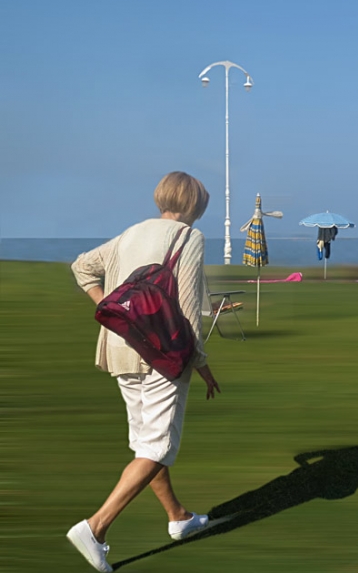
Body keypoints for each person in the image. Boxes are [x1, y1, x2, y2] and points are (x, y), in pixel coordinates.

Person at [67, 172, 221, 573]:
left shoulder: (131, 232)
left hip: (120, 349)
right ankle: (95, 528)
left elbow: (82, 268)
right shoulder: (190, 238)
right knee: (156, 448)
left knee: (146, 445)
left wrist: (115, 315)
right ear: (196, 206)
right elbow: (187, 310)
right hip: (162, 355)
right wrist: (201, 363)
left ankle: (178, 518)